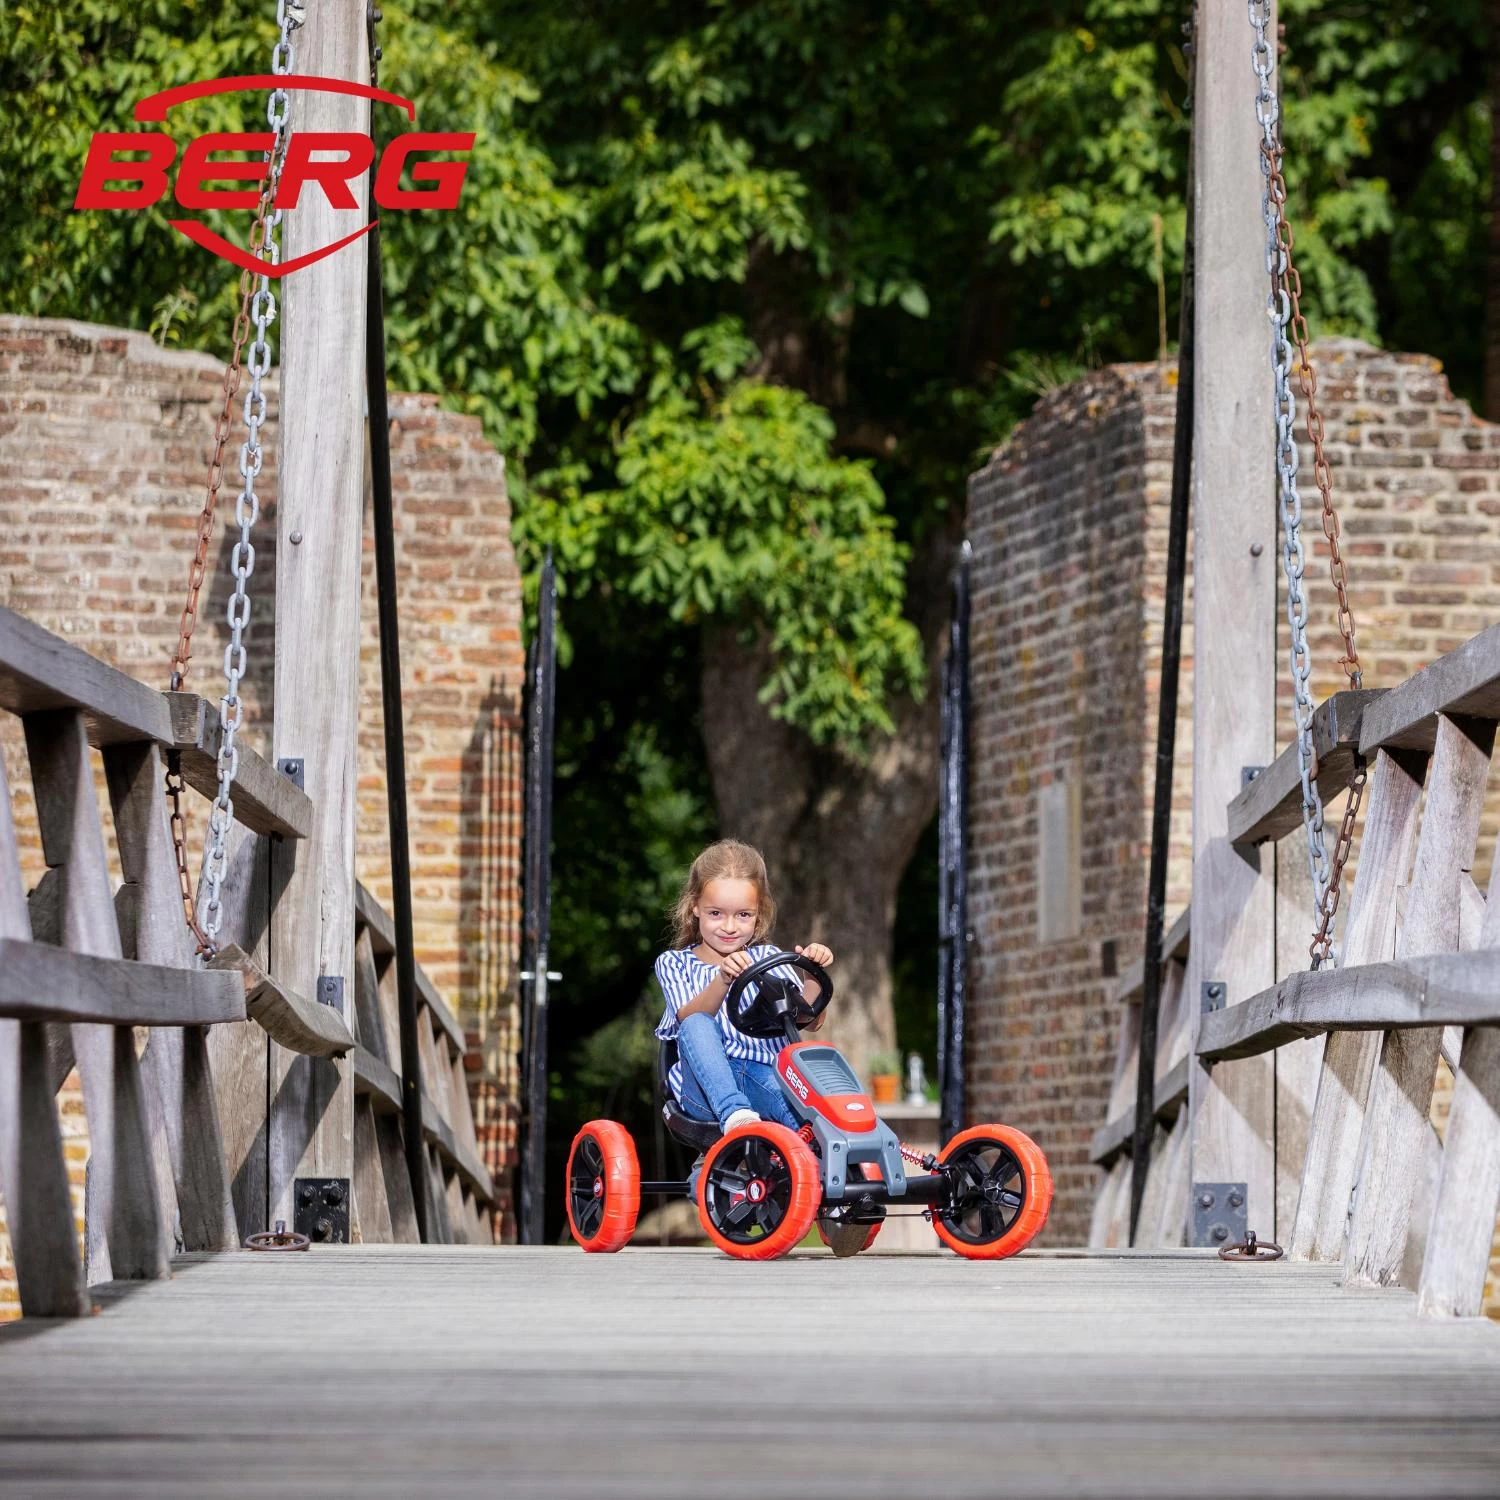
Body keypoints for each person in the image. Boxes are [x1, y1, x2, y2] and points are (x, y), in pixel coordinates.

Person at [654, 839, 834, 1133]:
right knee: (696, 1023)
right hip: (706, 1091)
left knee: (816, 1123)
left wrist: (813, 975)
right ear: (695, 906)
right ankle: (735, 1114)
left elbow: (807, 1021)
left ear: (758, 913)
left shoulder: (768, 958)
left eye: (743, 915)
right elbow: (687, 1018)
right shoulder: (675, 963)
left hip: (768, 1077)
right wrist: (723, 979)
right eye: (716, 913)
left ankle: (837, 1152)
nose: (729, 926)